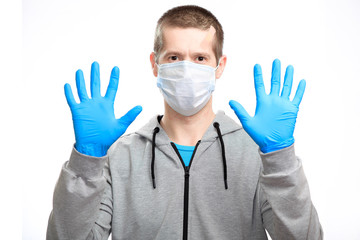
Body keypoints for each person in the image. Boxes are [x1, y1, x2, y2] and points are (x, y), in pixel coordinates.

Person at [47, 5, 323, 240]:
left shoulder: (256, 155)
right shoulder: (120, 157)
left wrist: (280, 159)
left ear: (220, 66)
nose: (187, 69)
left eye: (200, 58)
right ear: (155, 64)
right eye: (174, 57)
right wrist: (86, 161)